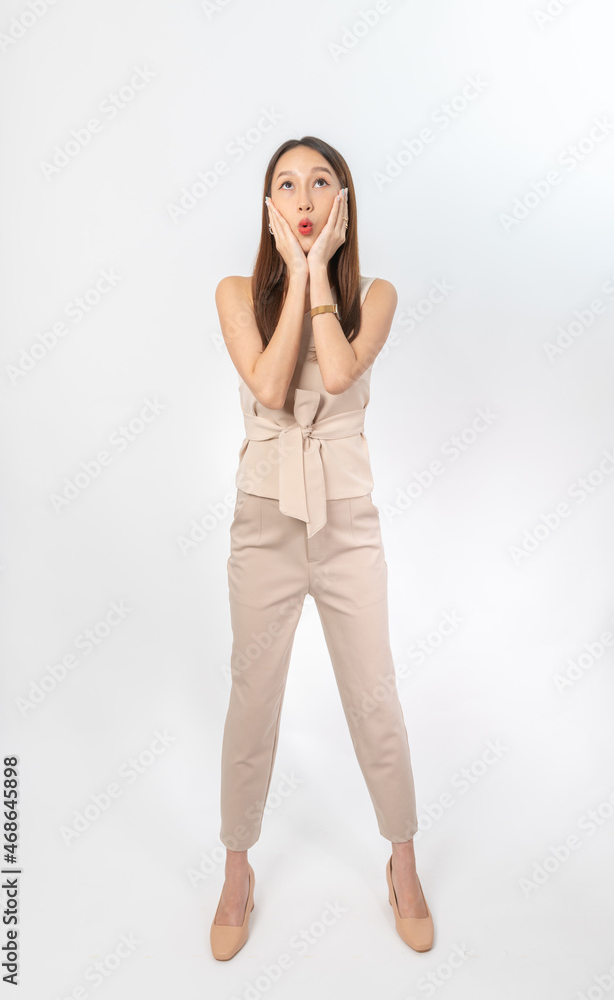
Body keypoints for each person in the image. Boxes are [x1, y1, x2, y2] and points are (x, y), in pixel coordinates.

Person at [210, 136, 434, 960]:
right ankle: (238, 869)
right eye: (286, 186)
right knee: (252, 698)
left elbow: (335, 374)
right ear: (269, 208)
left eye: (320, 184)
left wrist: (319, 282)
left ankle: (402, 860)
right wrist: (296, 272)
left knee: (374, 694)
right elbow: (270, 388)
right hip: (264, 526)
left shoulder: (376, 294)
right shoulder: (236, 291)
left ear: (342, 204)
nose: (303, 199)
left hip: (345, 527)